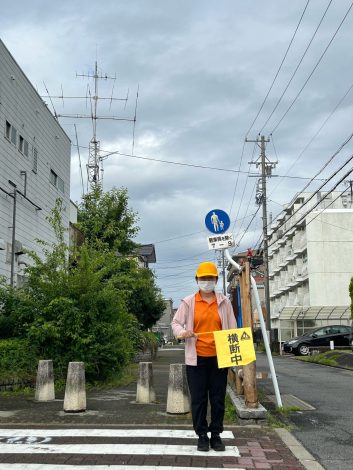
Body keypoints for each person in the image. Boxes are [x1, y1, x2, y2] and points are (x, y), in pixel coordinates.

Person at [171, 261, 236, 452]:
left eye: (210, 278)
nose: (207, 281)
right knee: (198, 399)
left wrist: (234, 357)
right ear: (197, 280)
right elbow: (175, 323)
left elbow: (232, 329)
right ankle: (201, 435)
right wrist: (183, 332)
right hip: (196, 358)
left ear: (216, 279)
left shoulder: (224, 302)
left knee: (217, 398)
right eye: (203, 278)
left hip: (219, 358)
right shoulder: (188, 302)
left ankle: (216, 434)